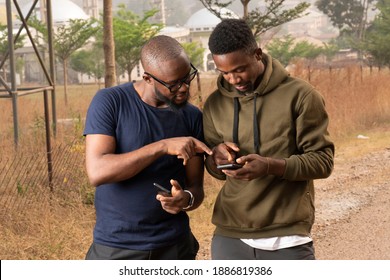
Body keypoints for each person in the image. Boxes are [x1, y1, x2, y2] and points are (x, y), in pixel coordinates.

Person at [202, 19, 335, 260]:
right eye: (225, 72)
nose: (233, 79)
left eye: (239, 69)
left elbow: (323, 162)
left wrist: (270, 166)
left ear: (257, 54)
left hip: (287, 234)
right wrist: (215, 158)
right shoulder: (214, 104)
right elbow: (216, 171)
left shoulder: (302, 96)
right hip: (230, 233)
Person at [83, 35, 212, 260]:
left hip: (175, 247)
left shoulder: (192, 117)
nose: (183, 89)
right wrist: (162, 146)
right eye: (173, 84)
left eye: (187, 77)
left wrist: (186, 200)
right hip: (117, 247)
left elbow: (196, 189)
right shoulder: (111, 102)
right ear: (148, 78)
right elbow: (97, 171)